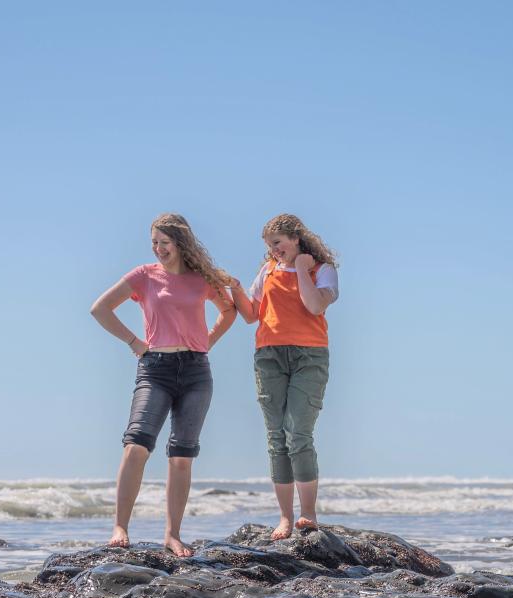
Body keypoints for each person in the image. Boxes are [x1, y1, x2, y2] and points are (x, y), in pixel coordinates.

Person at [90, 213, 236, 557]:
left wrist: (207, 340)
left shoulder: (201, 279)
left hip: (197, 372)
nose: (158, 249)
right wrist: (133, 342)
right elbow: (100, 309)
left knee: (182, 456)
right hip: (155, 368)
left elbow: (228, 311)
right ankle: (120, 527)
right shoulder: (144, 276)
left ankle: (173, 535)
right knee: (136, 445)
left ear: (180, 243)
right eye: (154, 243)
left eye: (164, 243)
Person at [230, 213, 339, 540]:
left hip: (310, 356)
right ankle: (285, 518)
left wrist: (303, 269)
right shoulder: (267, 271)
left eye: (277, 243)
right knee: (277, 437)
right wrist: (234, 287)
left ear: (296, 238)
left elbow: (315, 306)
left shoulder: (323, 270)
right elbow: (250, 315)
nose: (274, 250)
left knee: (298, 433)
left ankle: (308, 514)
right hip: (269, 356)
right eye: (269, 246)